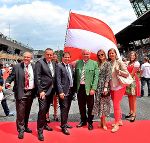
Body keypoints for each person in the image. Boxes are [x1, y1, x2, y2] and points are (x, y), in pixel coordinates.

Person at [5, 52, 36, 139]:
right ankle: (21, 130)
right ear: (23, 57)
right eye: (25, 57)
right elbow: (11, 76)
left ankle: (25, 127)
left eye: (28, 57)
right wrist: (8, 82)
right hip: (21, 92)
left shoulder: (34, 66)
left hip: (31, 92)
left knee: (27, 111)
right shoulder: (17, 66)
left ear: (31, 58)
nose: (26, 59)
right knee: (20, 113)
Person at [35, 48, 57, 141]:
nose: (49, 56)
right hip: (43, 91)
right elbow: (37, 77)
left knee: (47, 109)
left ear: (53, 55)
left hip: (51, 91)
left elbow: (53, 77)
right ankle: (40, 131)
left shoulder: (53, 63)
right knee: (42, 110)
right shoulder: (40, 63)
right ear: (45, 54)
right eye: (47, 54)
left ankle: (44, 125)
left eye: (51, 55)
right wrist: (40, 91)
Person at [75, 49, 99, 130]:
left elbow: (96, 77)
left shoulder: (94, 63)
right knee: (81, 106)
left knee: (90, 106)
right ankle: (83, 121)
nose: (86, 56)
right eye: (84, 54)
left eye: (87, 54)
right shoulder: (78, 63)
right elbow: (76, 76)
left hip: (89, 88)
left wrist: (93, 88)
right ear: (82, 55)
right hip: (80, 88)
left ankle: (90, 122)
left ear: (90, 55)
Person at [108, 48, 129, 132]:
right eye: (109, 53)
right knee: (116, 104)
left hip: (119, 87)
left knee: (116, 104)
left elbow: (127, 74)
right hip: (112, 87)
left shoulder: (119, 62)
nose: (111, 54)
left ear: (116, 54)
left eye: (112, 53)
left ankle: (116, 123)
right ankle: (119, 120)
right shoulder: (109, 63)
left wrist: (119, 71)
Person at [92, 49, 112, 131]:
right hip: (98, 87)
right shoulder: (98, 64)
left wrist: (106, 87)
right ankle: (101, 122)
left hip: (104, 86)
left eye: (102, 55)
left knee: (104, 105)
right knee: (99, 104)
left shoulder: (107, 64)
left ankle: (104, 123)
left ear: (105, 55)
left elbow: (108, 76)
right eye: (99, 55)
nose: (100, 56)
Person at [56, 52, 74, 135]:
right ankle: (63, 127)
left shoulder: (70, 66)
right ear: (62, 58)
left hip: (70, 90)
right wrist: (60, 92)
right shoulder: (59, 66)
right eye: (65, 57)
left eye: (68, 57)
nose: (67, 59)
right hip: (63, 92)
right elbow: (58, 80)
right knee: (63, 108)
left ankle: (65, 123)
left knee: (67, 108)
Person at [125, 51, 140, 122]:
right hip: (128, 81)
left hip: (133, 81)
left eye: (133, 55)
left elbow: (132, 74)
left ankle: (134, 114)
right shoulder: (128, 63)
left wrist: (124, 76)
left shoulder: (136, 63)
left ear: (135, 56)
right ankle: (131, 112)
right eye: (131, 55)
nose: (132, 57)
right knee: (129, 97)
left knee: (133, 98)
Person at [46, 53, 59, 123]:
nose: (54, 58)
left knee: (55, 102)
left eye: (55, 57)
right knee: (47, 101)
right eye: (53, 57)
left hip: (55, 87)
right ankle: (47, 115)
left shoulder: (58, 65)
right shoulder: (47, 65)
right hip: (48, 87)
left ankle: (55, 114)